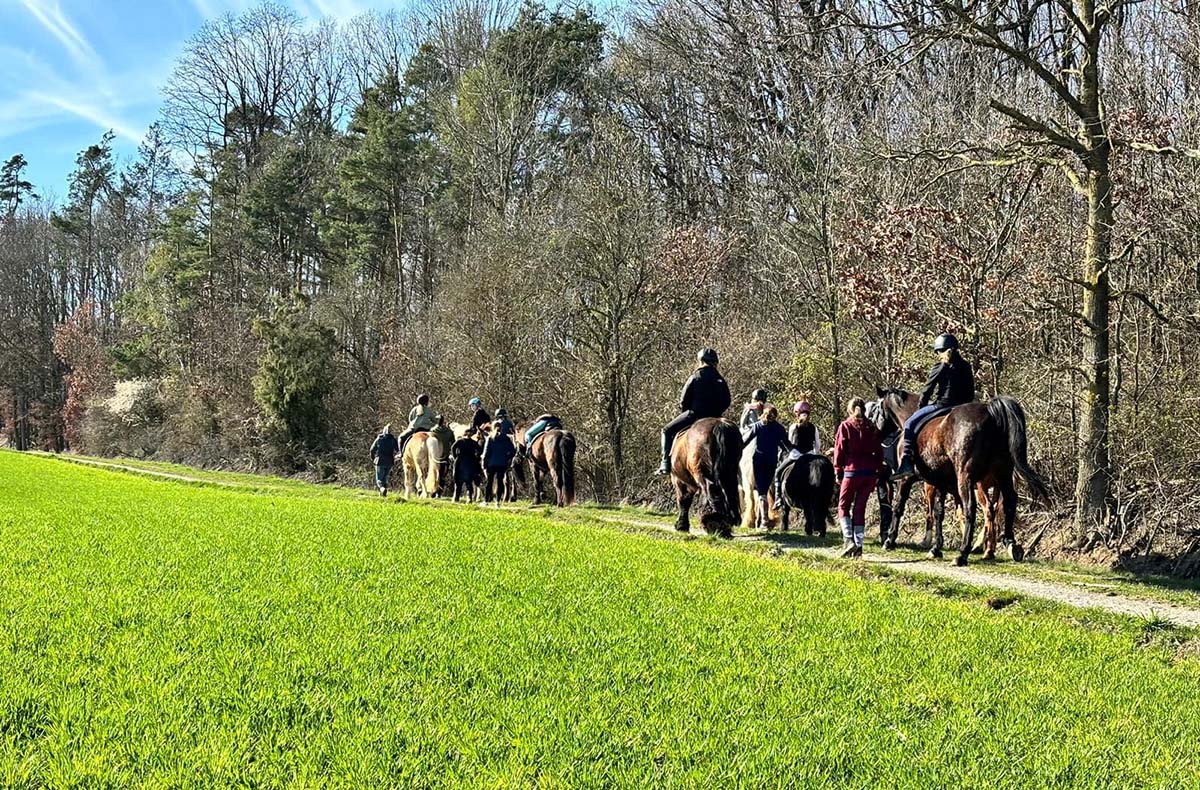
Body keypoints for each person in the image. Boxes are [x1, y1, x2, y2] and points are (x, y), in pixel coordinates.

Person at [892, 333, 975, 481]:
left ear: (940, 351)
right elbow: (970, 391)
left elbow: (927, 390)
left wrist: (921, 407)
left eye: (937, 351)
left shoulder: (940, 367)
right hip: (962, 407)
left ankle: (906, 462)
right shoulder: (966, 366)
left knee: (910, 423)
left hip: (942, 406)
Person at [657, 347, 732, 475]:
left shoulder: (695, 377)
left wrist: (686, 410)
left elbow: (683, 399)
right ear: (715, 362)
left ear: (701, 361)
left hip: (695, 415)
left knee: (666, 430)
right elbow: (727, 401)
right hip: (716, 417)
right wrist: (717, 413)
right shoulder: (720, 379)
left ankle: (665, 464)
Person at [833, 397, 883, 558]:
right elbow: (879, 452)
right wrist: (876, 471)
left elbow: (839, 449)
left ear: (849, 410)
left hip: (852, 471)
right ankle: (859, 546)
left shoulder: (846, 426)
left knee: (843, 506)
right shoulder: (872, 427)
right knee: (860, 508)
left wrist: (837, 470)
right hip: (869, 473)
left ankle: (848, 540)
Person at [741, 405, 794, 529]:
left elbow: (745, 440)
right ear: (775, 416)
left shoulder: (758, 425)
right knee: (766, 488)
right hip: (771, 461)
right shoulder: (779, 428)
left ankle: (764, 519)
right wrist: (796, 452)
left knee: (761, 491)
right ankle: (764, 517)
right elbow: (786, 445)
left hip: (758, 460)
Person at [865, 399, 899, 544]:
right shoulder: (874, 432)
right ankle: (886, 533)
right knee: (885, 500)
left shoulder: (879, 432)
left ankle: (886, 532)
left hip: (885, 469)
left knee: (886, 500)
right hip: (884, 469)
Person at [773, 401, 822, 496]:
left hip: (796, 456)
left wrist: (792, 452)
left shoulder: (793, 427)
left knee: (778, 472)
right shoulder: (814, 427)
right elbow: (817, 444)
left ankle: (778, 496)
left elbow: (790, 442)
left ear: (797, 414)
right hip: (810, 455)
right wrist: (814, 454)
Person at [482, 420, 517, 505]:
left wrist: (484, 463)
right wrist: (506, 457)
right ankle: (498, 501)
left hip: (491, 463)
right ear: (501, 428)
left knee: (489, 482)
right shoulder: (506, 438)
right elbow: (513, 451)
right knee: (500, 482)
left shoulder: (490, 438)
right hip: (502, 463)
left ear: (492, 428)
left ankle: (486, 500)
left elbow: (486, 452)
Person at [451, 427, 484, 502]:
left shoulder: (460, 441)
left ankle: (456, 497)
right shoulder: (473, 442)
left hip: (460, 461)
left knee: (458, 482)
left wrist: (455, 456)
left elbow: (453, 447)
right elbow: (480, 450)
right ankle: (469, 498)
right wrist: (476, 458)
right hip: (470, 462)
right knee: (469, 481)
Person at [369, 424, 400, 497]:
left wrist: (373, 458)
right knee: (385, 477)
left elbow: (372, 450)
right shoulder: (393, 439)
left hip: (379, 461)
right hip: (389, 461)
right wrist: (396, 457)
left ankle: (382, 489)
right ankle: (383, 493)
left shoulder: (379, 439)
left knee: (379, 479)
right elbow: (398, 450)